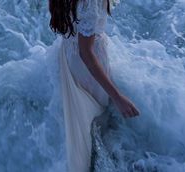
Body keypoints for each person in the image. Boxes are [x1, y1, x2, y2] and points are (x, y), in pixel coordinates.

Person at [48, 0, 140, 171]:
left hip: (69, 52)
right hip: (87, 64)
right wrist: (117, 96)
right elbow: (86, 53)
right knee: (96, 118)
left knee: (81, 116)